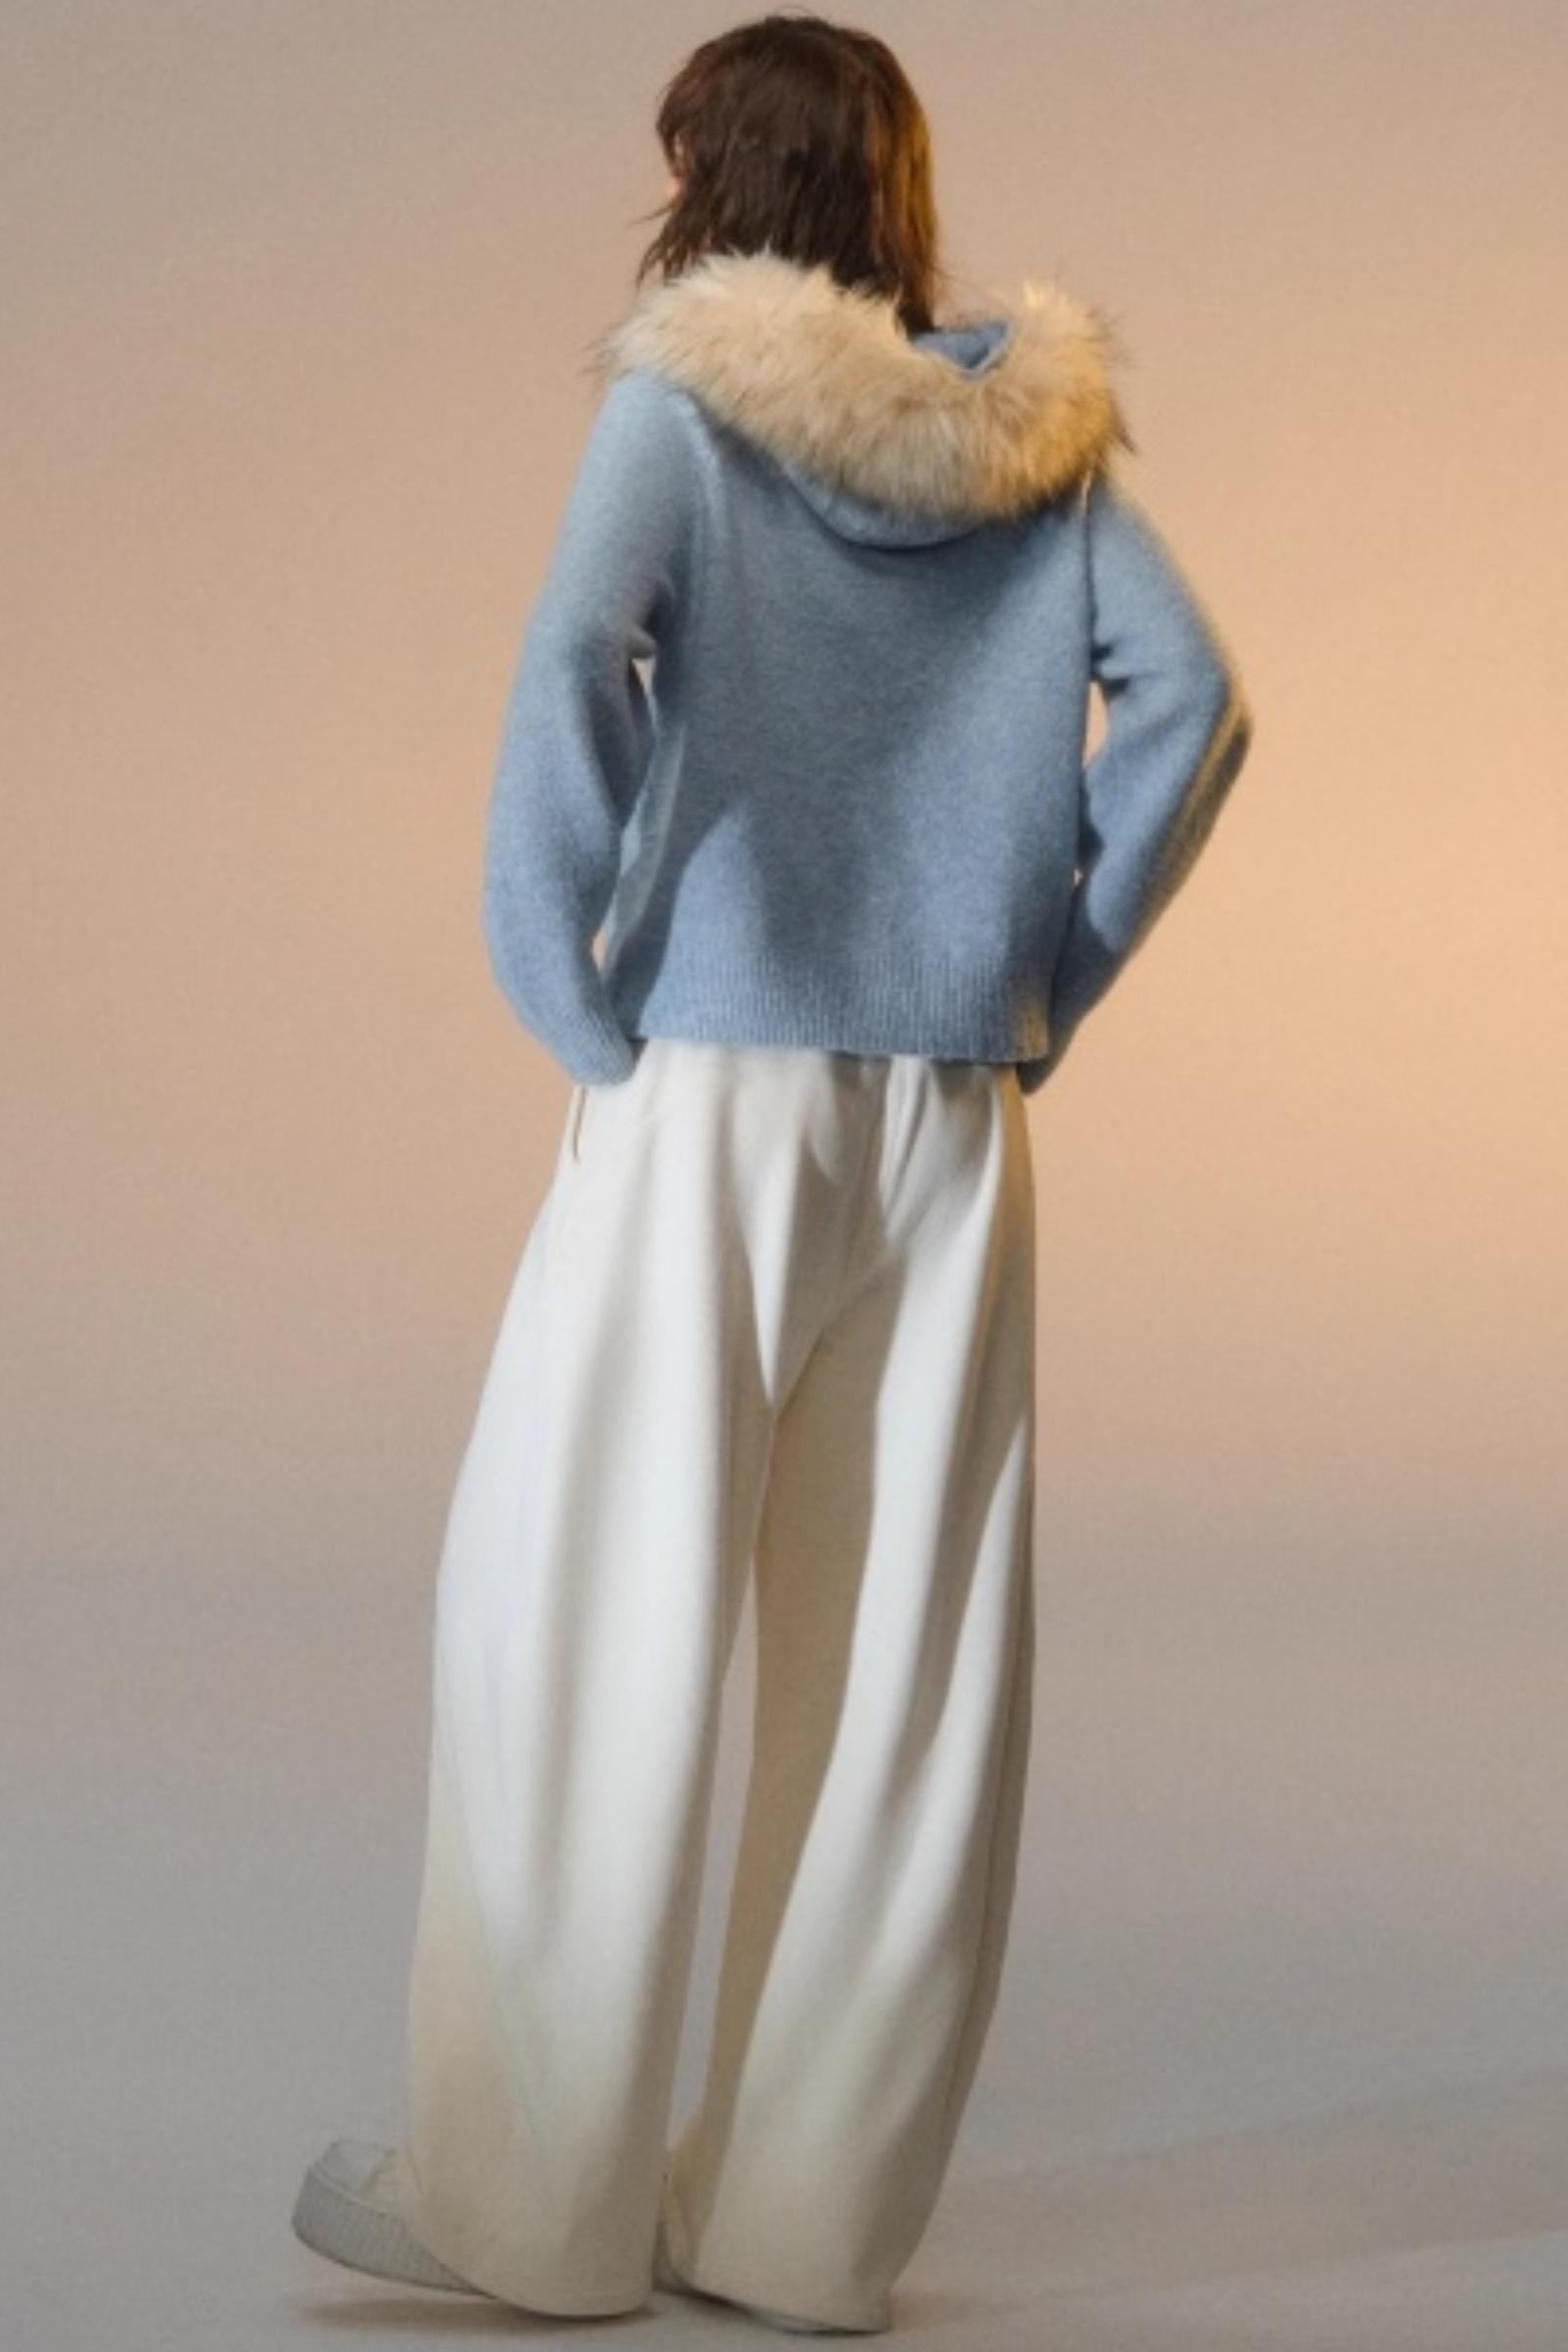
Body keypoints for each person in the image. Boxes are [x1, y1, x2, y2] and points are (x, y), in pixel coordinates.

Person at [291, 10, 1254, 2335]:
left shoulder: (683, 410)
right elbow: (1196, 698)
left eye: (676, 153)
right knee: (904, 1673)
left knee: (582, 1616)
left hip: (708, 1093)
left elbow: (574, 661)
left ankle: (530, 2215)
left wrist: (564, 982)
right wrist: (1043, 977)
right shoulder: (1036, 444)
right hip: (949, 1118)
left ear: (719, 178)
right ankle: (801, 2234)